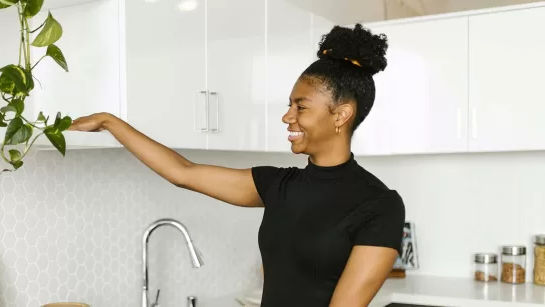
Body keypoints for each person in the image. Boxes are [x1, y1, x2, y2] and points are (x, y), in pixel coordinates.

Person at [69, 23, 405, 307]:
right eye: (289, 105)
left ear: (341, 114)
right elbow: (182, 173)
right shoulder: (279, 186)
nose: (287, 116)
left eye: (300, 107)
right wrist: (110, 122)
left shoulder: (379, 206)